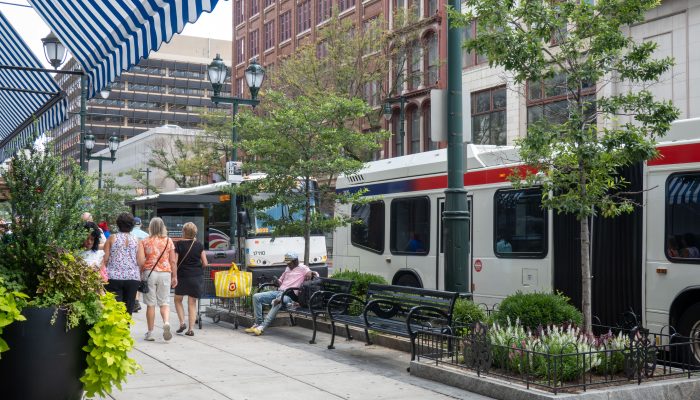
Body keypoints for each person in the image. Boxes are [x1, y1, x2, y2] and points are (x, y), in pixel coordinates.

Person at [246, 252, 317, 336]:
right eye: (287, 262)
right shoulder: (287, 269)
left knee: (279, 300)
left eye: (289, 263)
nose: (288, 264)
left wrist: (311, 272)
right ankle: (258, 323)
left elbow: (316, 275)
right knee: (256, 297)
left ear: (295, 261)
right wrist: (277, 281)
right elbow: (280, 281)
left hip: (290, 296)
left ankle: (262, 327)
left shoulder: (303, 268)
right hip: (280, 291)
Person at [137, 217, 177, 342]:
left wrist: (139, 274)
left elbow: (142, 261)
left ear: (150, 227)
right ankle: (166, 322)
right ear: (162, 227)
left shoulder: (144, 241)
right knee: (164, 302)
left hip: (149, 273)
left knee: (150, 304)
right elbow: (173, 260)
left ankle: (150, 332)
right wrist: (174, 276)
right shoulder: (168, 241)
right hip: (165, 273)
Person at [173, 222, 208, 336]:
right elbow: (205, 263)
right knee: (192, 303)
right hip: (196, 276)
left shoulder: (178, 244)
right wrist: (198, 269)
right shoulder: (198, 244)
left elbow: (175, 261)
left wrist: (174, 274)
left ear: (183, 232)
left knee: (178, 299)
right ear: (195, 233)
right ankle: (191, 329)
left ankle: (182, 322)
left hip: (182, 276)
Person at [102, 213, 141, 314]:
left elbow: (105, 259)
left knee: (114, 309)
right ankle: (126, 328)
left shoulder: (112, 238)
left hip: (114, 277)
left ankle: (116, 329)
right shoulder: (137, 240)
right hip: (132, 278)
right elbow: (141, 261)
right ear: (132, 225)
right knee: (128, 309)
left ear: (118, 224)